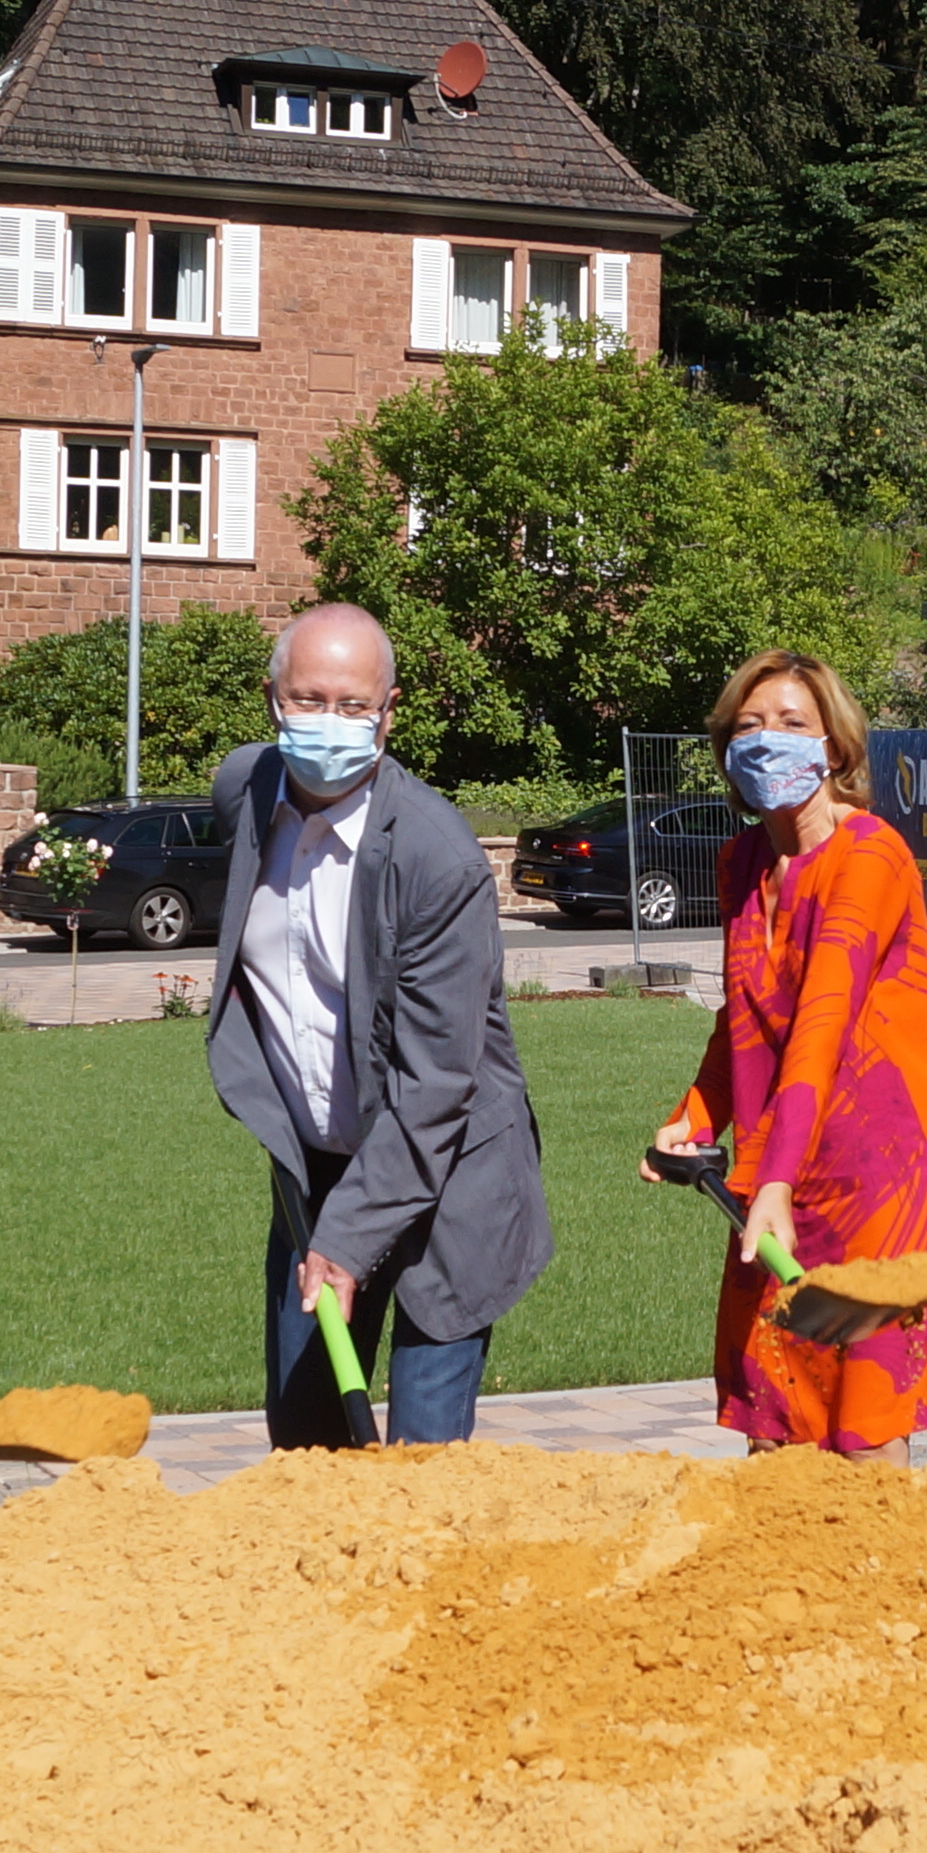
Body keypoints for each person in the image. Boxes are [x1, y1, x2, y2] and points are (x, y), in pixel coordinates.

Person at [206, 603, 550, 1445]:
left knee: (421, 1460)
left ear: (389, 713)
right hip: (317, 1169)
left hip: (448, 1174)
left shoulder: (438, 858)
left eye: (354, 705)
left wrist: (350, 1240)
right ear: (272, 699)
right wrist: (326, 1227)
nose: (329, 722)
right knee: (307, 1443)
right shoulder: (244, 790)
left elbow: (436, 1084)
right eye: (308, 699)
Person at [646, 652, 927, 1453]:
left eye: (793, 723)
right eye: (749, 726)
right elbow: (744, 1014)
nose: (769, 739)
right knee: (774, 1421)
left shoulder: (869, 857)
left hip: (883, 1177)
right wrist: (695, 1118)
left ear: (834, 747)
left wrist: (774, 1182)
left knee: (865, 1433)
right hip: (785, 1169)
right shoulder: (742, 863)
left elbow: (823, 1021)